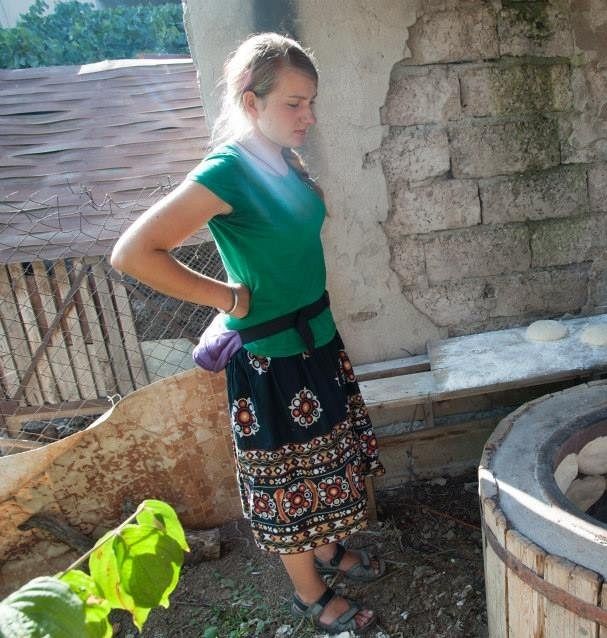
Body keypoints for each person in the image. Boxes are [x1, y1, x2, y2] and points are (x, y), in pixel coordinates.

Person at [111, 33, 383, 633]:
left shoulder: (282, 157)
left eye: (311, 102)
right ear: (251, 101)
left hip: (315, 341)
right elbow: (133, 253)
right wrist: (226, 296)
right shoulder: (229, 171)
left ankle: (326, 547)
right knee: (289, 483)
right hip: (270, 361)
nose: (308, 117)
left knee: (326, 463)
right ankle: (309, 593)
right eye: (294, 103)